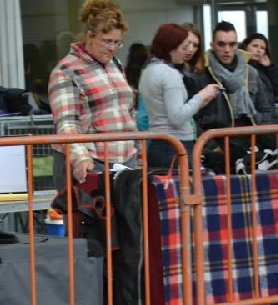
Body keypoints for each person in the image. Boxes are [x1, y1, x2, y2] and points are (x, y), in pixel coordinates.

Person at [48, 0, 137, 189]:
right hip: (91, 162)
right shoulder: (65, 70)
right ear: (89, 36)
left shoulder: (116, 64)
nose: (112, 48)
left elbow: (128, 112)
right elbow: (66, 123)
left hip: (126, 160)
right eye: (106, 41)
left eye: (117, 42)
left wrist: (139, 151)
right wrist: (80, 159)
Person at [138, 24, 219, 168]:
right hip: (176, 147)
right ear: (171, 48)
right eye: (183, 48)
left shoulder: (148, 70)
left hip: (157, 144)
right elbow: (177, 117)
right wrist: (200, 96)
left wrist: (199, 102)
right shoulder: (170, 74)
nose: (187, 52)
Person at [195, 21, 274, 140]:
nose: (227, 50)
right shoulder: (201, 74)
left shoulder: (250, 72)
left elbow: (265, 109)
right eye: (221, 44)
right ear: (212, 45)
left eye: (232, 44)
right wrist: (211, 147)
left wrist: (263, 138)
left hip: (252, 141)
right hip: (219, 144)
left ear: (237, 46)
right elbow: (194, 117)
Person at [242, 33, 278, 105]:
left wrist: (269, 67)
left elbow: (275, 90)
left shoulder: (265, 68)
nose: (258, 50)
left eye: (262, 48)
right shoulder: (240, 66)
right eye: (255, 46)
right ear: (246, 47)